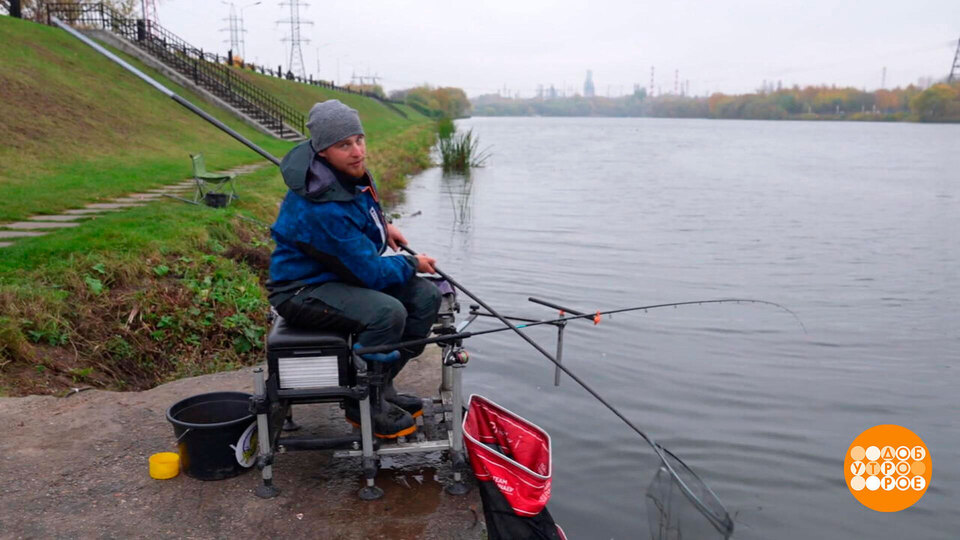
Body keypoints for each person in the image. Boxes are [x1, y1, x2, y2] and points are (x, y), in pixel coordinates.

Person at [267, 100, 441, 439]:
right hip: (302, 289)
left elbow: (359, 212)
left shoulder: (346, 174)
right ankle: (363, 402)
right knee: (387, 313)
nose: (357, 151)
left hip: (339, 273)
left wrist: (382, 227)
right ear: (322, 151)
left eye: (359, 139)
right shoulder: (321, 206)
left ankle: (382, 383)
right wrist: (412, 262)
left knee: (426, 298)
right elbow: (369, 273)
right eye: (344, 145)